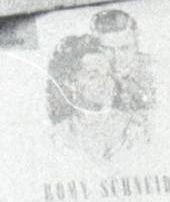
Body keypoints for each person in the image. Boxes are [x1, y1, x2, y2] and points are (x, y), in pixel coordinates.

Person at [46, 33, 149, 162]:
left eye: (108, 74)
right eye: (93, 76)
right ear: (71, 83)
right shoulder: (58, 136)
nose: (105, 82)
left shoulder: (135, 128)